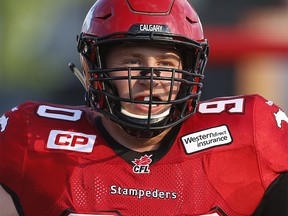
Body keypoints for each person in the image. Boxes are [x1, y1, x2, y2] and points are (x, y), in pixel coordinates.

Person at [0, 0, 287, 215]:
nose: (150, 79)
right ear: (94, 66)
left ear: (191, 69)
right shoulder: (29, 141)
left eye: (166, 65)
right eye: (131, 62)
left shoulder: (252, 137)